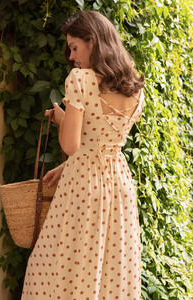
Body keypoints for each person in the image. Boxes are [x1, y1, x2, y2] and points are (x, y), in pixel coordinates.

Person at [21, 10, 145, 300]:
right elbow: (103, 142)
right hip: (119, 186)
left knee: (62, 265)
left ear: (93, 42)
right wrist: (64, 168)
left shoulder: (81, 80)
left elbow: (71, 146)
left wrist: (61, 117)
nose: (72, 57)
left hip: (84, 190)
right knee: (109, 268)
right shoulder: (136, 88)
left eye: (75, 47)